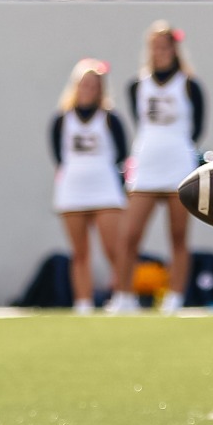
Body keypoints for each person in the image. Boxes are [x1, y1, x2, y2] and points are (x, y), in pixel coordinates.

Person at [116, 22, 205, 314]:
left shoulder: (189, 85)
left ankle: (175, 296)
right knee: (130, 234)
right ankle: (123, 296)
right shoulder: (137, 85)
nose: (160, 53)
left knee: (178, 236)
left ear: (174, 50)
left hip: (179, 163)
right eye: (155, 47)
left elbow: (197, 127)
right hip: (147, 163)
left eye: (165, 47)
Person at [49, 59, 134, 314]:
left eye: (93, 85)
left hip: (105, 189)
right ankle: (83, 302)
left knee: (113, 248)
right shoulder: (62, 119)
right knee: (80, 252)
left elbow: (122, 154)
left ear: (101, 89)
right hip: (72, 190)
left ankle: (123, 297)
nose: (88, 89)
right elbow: (58, 156)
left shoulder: (110, 119)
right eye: (83, 84)